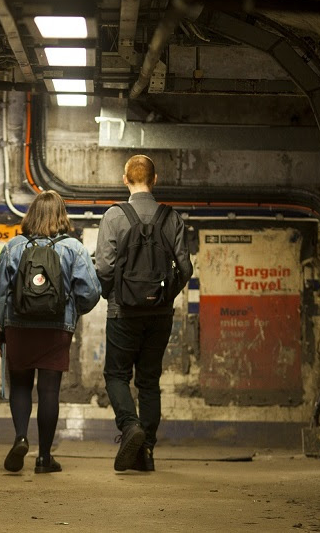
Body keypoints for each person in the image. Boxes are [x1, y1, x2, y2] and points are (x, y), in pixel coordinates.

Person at [0, 190, 101, 474]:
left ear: (31, 215)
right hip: (56, 328)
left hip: (19, 327)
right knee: (49, 389)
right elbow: (91, 291)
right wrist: (72, 312)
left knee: (21, 384)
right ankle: (44, 458)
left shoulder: (13, 247)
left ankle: (20, 438)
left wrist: (0, 331)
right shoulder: (73, 248)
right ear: (61, 216)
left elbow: (0, 294)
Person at [94, 154, 193, 472]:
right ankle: (146, 451)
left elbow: (104, 267)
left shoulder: (114, 215)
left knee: (116, 375)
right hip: (160, 315)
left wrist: (113, 295)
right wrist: (165, 297)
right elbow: (185, 267)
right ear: (155, 179)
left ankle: (129, 427)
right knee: (149, 380)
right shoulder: (171, 217)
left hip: (122, 311)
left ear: (125, 179)